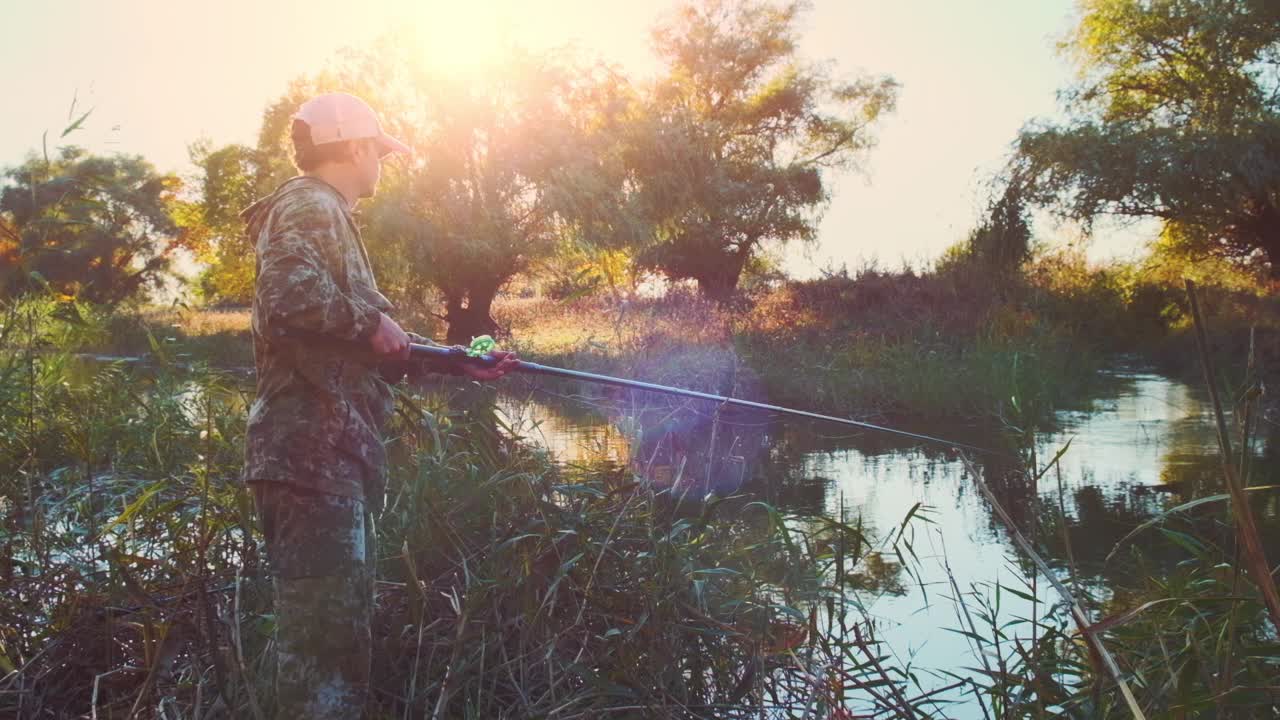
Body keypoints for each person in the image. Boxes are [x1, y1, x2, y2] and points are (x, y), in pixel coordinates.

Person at [240, 92, 518, 718]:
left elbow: (353, 343)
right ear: (357, 148)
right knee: (322, 665)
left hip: (328, 461)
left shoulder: (323, 212)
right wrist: (369, 320)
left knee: (337, 652)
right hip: (312, 460)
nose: (383, 166)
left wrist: (452, 359)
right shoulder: (311, 204)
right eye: (380, 153)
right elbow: (288, 293)